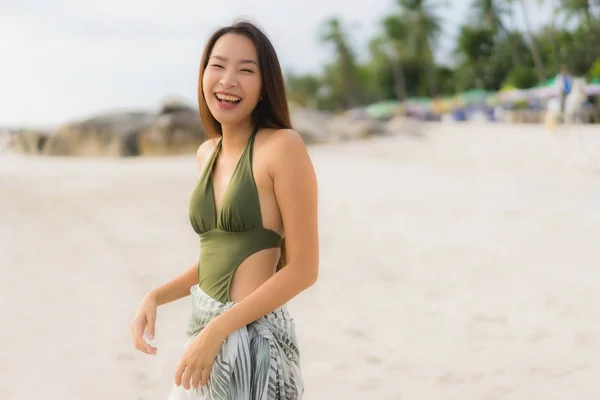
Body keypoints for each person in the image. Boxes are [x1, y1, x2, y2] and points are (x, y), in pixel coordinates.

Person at [130, 19, 319, 399]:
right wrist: (155, 296)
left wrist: (219, 331)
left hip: (254, 340)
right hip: (203, 334)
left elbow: (303, 269)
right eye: (217, 66)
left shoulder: (282, 147)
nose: (228, 80)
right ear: (203, 75)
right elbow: (216, 260)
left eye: (246, 70)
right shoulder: (207, 153)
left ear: (265, 87)